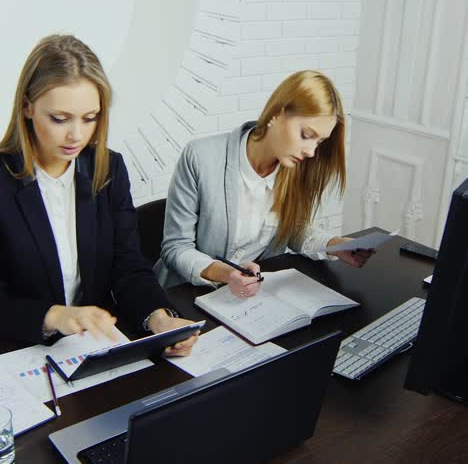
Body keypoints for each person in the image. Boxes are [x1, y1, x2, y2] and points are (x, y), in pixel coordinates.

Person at [0, 34, 197, 355]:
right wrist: (53, 315)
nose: (76, 135)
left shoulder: (109, 168)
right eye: (60, 118)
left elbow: (128, 265)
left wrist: (158, 319)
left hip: (94, 347)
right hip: (19, 351)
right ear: (27, 106)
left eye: (90, 118)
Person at [154, 70, 373, 297]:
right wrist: (227, 274)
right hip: (186, 295)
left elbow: (293, 231)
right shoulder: (201, 156)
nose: (311, 151)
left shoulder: (294, 168)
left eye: (319, 142)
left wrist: (335, 245)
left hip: (249, 297)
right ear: (277, 114)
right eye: (306, 135)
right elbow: (176, 248)